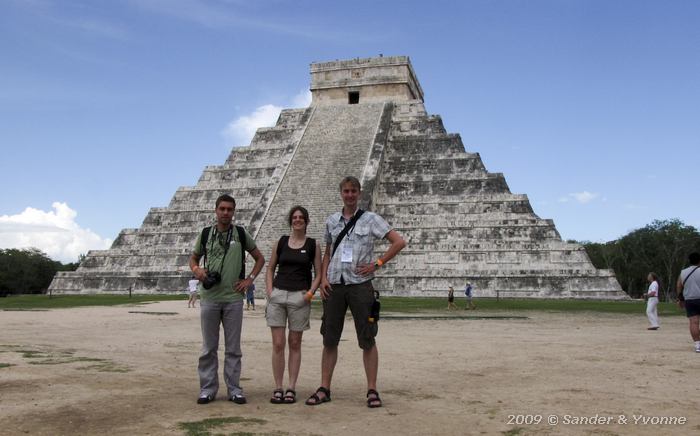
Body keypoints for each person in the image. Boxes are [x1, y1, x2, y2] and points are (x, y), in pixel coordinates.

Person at [306, 176, 406, 408]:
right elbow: (327, 253)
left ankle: (372, 389)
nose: (349, 195)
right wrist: (322, 280)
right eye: (346, 191)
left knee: (367, 338)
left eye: (353, 191)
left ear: (359, 193)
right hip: (335, 285)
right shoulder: (332, 221)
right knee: (329, 339)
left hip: (361, 285)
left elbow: (398, 242)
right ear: (340, 193)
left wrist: (377, 263)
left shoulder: (371, 219)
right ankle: (324, 388)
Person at [189, 194, 265, 405]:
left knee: (233, 348)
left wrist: (249, 279)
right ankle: (207, 389)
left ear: (233, 212)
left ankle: (234, 389)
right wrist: (197, 270)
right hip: (210, 297)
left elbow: (260, 257)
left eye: (229, 209)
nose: (225, 213)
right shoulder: (205, 234)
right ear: (216, 210)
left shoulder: (241, 234)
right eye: (222, 209)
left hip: (233, 299)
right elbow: (193, 257)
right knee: (208, 348)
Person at [265, 206, 322, 404]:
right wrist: (270, 291)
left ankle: (291, 387)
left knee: (295, 343)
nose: (297, 220)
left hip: (300, 296)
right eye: (295, 217)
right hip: (278, 295)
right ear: (291, 221)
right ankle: (278, 387)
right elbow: (270, 267)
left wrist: (309, 294)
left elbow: (319, 272)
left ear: (307, 221)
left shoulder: (314, 244)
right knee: (278, 344)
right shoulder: (280, 242)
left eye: (301, 217)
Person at [677, 252, 700, 353]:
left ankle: (697, 345)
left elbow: (679, 286)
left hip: (690, 299)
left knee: (693, 322)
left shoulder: (683, 272)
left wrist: (680, 299)